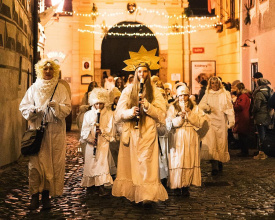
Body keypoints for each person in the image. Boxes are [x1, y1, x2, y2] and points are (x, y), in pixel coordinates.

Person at [112, 62, 168, 205]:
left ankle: (147, 195)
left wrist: (148, 106)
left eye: (145, 71)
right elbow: (118, 114)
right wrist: (131, 112)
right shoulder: (128, 90)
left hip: (148, 131)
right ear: (136, 74)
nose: (142, 74)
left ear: (149, 73)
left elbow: (162, 115)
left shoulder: (155, 91)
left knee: (146, 162)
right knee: (132, 164)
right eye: (139, 72)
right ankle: (134, 192)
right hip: (132, 131)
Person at [19, 59, 71, 210]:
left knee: (51, 165)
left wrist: (57, 107)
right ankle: (34, 195)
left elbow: (67, 108)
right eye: (45, 68)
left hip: (54, 133)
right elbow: (23, 106)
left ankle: (46, 196)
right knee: (35, 165)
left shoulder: (60, 88)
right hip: (37, 132)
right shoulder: (34, 88)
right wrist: (34, 111)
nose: (48, 71)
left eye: (50, 69)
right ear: (40, 70)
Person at [166, 84, 208, 196]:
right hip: (178, 136)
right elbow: (169, 124)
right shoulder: (172, 107)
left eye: (185, 95)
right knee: (178, 159)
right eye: (180, 95)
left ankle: (186, 186)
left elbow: (200, 122)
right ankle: (176, 185)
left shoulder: (195, 107)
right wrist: (180, 118)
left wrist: (189, 114)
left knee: (188, 159)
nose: (182, 98)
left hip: (190, 136)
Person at [80, 88, 115, 195]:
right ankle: (91, 185)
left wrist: (102, 131)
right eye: (96, 104)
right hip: (92, 144)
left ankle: (101, 185)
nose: (99, 106)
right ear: (93, 104)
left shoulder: (109, 114)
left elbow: (111, 129)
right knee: (91, 163)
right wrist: (90, 138)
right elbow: (84, 129)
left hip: (103, 143)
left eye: (101, 104)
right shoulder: (88, 114)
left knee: (102, 163)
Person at [199, 76, 235, 176]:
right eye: (212, 83)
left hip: (221, 122)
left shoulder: (225, 94)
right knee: (211, 143)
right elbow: (200, 106)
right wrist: (205, 108)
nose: (214, 85)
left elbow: (229, 108)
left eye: (216, 83)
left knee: (220, 142)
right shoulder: (207, 94)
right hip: (210, 122)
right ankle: (214, 165)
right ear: (210, 84)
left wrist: (231, 121)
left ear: (219, 84)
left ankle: (220, 161)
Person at [252, 78, 273, 160]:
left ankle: (262, 153)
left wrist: (252, 113)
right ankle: (267, 151)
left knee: (261, 135)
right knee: (266, 135)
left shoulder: (259, 93)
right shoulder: (269, 91)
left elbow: (257, 106)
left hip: (260, 116)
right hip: (268, 115)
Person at [232, 83, 251, 157]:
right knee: (241, 134)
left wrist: (234, 105)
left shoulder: (243, 96)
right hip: (242, 116)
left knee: (243, 135)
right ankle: (243, 151)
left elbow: (241, 106)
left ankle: (244, 151)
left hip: (242, 116)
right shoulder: (242, 96)